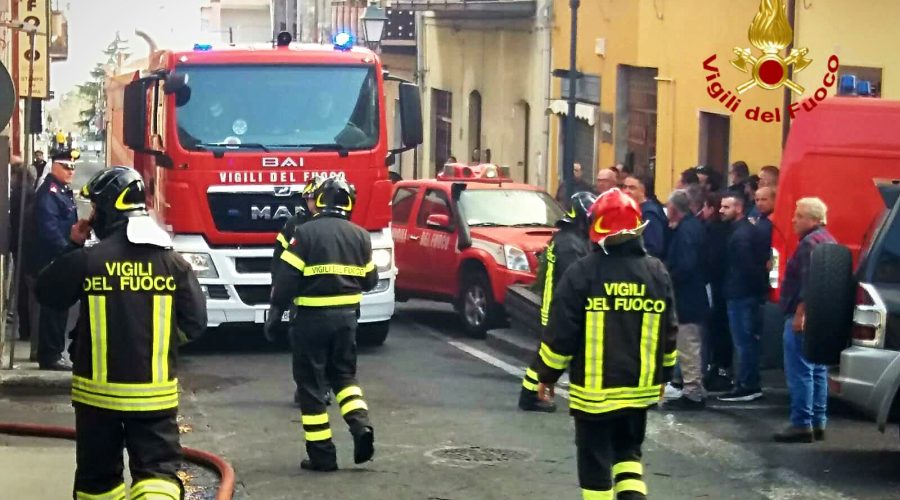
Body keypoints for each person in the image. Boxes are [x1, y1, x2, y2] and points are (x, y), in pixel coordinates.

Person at [36, 167, 207, 499]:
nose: (92, 217)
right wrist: (157, 344)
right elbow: (195, 322)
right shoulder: (173, 263)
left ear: (108, 210)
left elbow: (47, 292)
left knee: (98, 483)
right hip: (154, 398)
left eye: (95, 209)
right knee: (158, 476)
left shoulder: (88, 260)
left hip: (97, 401)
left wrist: (72, 244)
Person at [534, 188, 677, 499]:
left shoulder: (583, 272)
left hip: (595, 395)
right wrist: (664, 377)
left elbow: (561, 335)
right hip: (639, 390)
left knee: (595, 464)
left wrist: (546, 376)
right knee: (629, 455)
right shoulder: (657, 272)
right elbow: (669, 332)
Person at [267, 178, 378, 471]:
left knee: (311, 387)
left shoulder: (304, 233)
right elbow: (370, 281)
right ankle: (361, 426)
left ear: (320, 201)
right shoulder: (361, 236)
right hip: (347, 320)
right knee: (345, 377)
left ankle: (322, 455)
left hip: (310, 321)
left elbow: (285, 282)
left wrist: (275, 314)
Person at [519, 191, 597, 412]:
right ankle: (531, 396)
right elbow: (574, 281)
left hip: (556, 304)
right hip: (559, 307)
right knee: (550, 353)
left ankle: (532, 393)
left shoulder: (569, 238)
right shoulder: (570, 245)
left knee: (547, 353)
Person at [775, 198, 835, 443]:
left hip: (804, 317)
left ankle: (801, 424)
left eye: (799, 216)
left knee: (800, 371)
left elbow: (808, 284)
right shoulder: (828, 240)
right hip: (822, 316)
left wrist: (801, 314)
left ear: (814, 219)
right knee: (818, 370)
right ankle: (818, 422)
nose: (794, 220)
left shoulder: (809, 244)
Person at [31, 149, 81, 370]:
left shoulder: (61, 190)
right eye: (66, 167)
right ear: (54, 167)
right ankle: (50, 355)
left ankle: (54, 353)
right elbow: (49, 230)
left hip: (60, 258)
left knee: (60, 307)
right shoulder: (49, 193)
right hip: (52, 259)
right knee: (53, 308)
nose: (70, 171)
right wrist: (67, 251)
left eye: (72, 168)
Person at [271, 178, 319, 406]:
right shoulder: (294, 225)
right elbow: (279, 259)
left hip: (323, 296)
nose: (312, 203)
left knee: (325, 350)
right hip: (300, 300)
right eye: (309, 199)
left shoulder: (334, 225)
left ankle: (321, 388)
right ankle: (303, 387)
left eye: (315, 198)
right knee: (301, 348)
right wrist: (277, 290)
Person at [718, 193, 768, 402]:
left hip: (742, 294)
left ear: (738, 208)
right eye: (721, 206)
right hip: (743, 292)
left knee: (744, 341)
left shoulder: (742, 235)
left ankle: (747, 384)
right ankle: (747, 382)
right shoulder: (743, 231)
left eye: (726, 207)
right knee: (745, 341)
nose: (721, 210)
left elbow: (747, 267)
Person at [662, 190, 709, 410]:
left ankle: (693, 392)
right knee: (690, 343)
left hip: (686, 297)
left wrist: (668, 278)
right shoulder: (693, 227)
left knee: (688, 344)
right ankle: (693, 388)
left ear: (673, 208)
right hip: (694, 294)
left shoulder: (686, 231)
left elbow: (685, 265)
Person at [700, 192, 733, 392]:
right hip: (723, 286)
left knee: (716, 330)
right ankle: (721, 369)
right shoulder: (728, 229)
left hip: (717, 286)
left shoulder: (713, 230)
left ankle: (718, 369)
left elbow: (711, 260)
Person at [9, 156, 34, 341]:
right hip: (25, 245)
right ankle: (27, 328)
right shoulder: (28, 192)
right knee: (26, 289)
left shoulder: (18, 193)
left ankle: (25, 329)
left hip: (19, 245)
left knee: (22, 288)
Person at [622, 174, 668, 259]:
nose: (626, 191)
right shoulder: (634, 210)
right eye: (624, 187)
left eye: (632, 188)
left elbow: (653, 248)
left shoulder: (649, 213)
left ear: (642, 191)